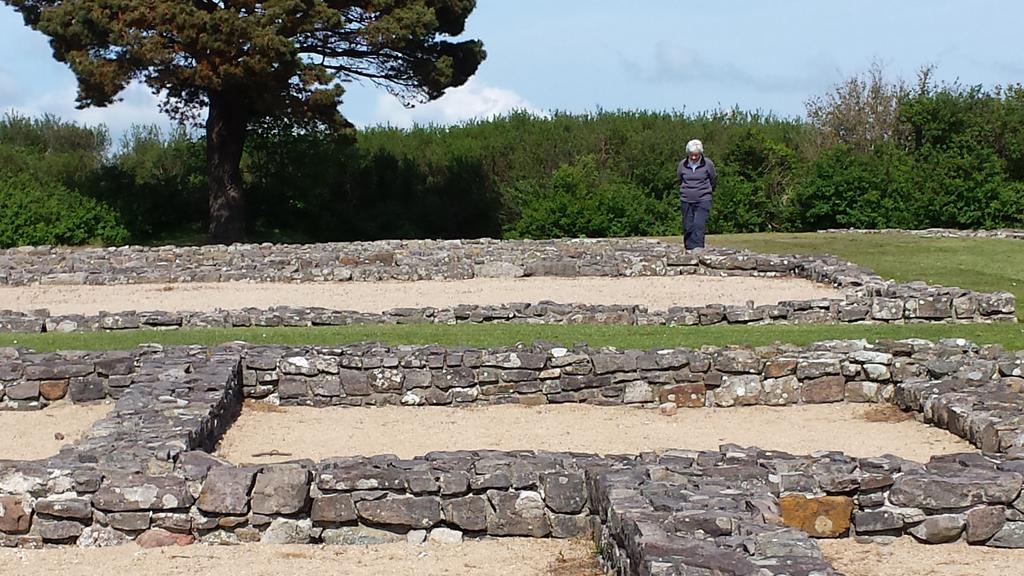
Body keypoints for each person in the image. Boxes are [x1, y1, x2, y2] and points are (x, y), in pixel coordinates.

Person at [677, 139, 717, 250]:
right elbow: (679, 179)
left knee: (698, 225)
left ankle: (698, 250)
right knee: (688, 226)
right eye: (691, 155)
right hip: (686, 199)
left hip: (703, 199)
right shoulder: (682, 165)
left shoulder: (708, 164)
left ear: (700, 153)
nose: (693, 157)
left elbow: (713, 179)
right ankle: (689, 249)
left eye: (696, 155)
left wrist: (708, 191)